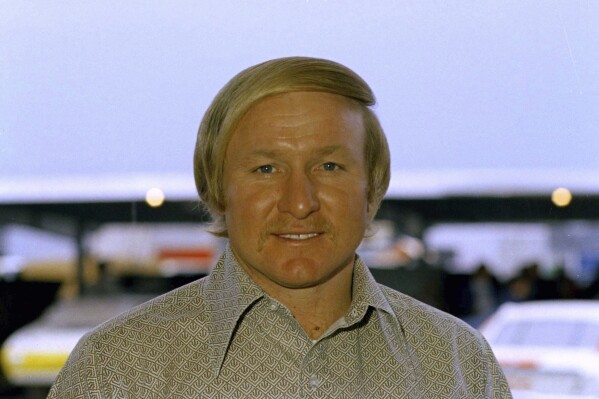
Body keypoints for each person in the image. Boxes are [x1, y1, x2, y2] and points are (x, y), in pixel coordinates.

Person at [48, 57, 512, 398]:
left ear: (373, 190)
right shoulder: (113, 370)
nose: (300, 202)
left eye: (329, 166)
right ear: (216, 189)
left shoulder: (458, 364)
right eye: (266, 169)